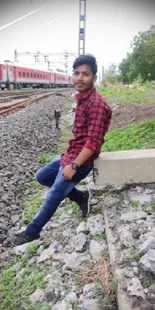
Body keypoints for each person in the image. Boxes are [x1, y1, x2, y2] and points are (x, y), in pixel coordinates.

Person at [12, 54, 112, 246]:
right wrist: (68, 159)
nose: (80, 78)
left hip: (82, 160)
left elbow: (92, 143)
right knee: (42, 177)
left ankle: (32, 232)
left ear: (94, 78)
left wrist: (74, 165)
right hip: (70, 154)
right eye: (76, 73)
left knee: (54, 194)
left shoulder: (96, 104)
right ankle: (82, 196)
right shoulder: (83, 98)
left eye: (85, 74)